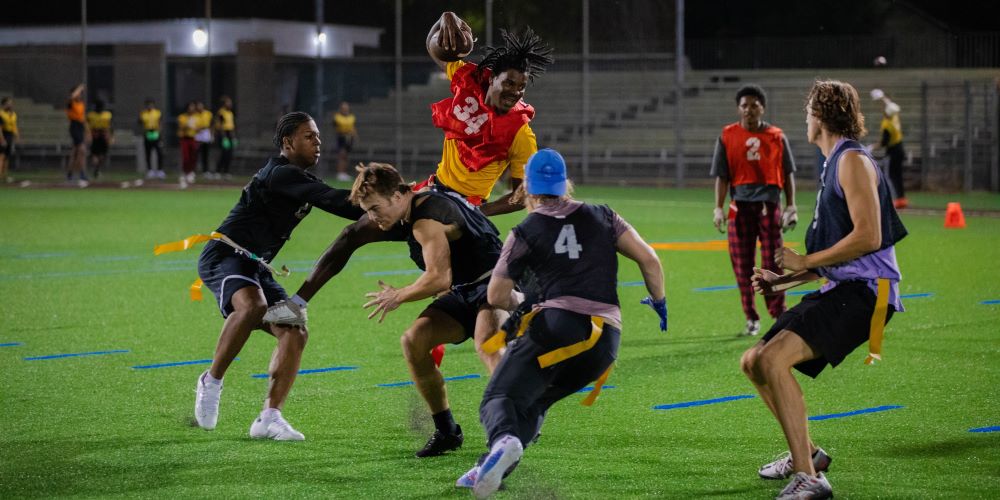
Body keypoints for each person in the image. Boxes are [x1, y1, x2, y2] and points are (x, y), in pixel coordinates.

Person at [263, 12, 553, 359]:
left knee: (450, 282)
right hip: (432, 192)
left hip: (463, 212)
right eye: (510, 83)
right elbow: (437, 50)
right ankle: (297, 304)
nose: (515, 92)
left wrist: (478, 210)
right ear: (492, 78)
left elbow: (521, 195)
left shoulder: (520, 132)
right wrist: (445, 20)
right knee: (354, 234)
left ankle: (522, 319)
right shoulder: (469, 80)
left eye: (521, 87)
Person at [458, 149, 667, 497]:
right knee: (533, 402)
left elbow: (496, 294)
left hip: (558, 328)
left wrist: (523, 303)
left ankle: (503, 442)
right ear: (565, 184)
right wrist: (659, 301)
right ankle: (488, 467)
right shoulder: (604, 215)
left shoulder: (525, 230)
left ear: (527, 188)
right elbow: (649, 259)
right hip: (606, 343)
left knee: (499, 397)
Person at [740, 80, 907, 500]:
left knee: (773, 360)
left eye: (808, 110)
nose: (805, 118)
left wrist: (802, 262)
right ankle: (809, 454)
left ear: (820, 115)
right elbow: (832, 261)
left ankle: (809, 478)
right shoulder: (833, 162)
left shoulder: (851, 161)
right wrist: (781, 279)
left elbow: (869, 237)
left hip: (869, 294)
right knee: (753, 361)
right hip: (845, 287)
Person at [192, 111, 364, 441]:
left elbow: (340, 202)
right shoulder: (281, 173)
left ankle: (269, 418)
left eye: (318, 136)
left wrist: (393, 200)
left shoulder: (298, 178)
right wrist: (383, 197)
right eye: (309, 136)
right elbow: (336, 201)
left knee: (295, 331)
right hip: (225, 255)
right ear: (288, 142)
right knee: (253, 305)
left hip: (255, 266)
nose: (318, 142)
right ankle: (211, 381)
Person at [348, 162, 508, 457]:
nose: (372, 217)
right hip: (467, 289)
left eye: (375, 208)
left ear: (398, 195)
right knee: (414, 341)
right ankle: (447, 431)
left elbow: (438, 278)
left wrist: (398, 295)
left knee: (487, 344)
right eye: (367, 210)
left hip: (498, 283)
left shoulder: (424, 220)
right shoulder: (420, 204)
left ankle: (514, 424)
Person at [710, 85, 798, 336]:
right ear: (738, 108)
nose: (749, 109)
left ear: (763, 108)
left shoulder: (776, 136)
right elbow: (722, 176)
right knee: (742, 264)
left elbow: (788, 173)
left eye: (754, 105)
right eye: (744, 105)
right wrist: (718, 208)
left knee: (774, 262)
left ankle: (779, 314)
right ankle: (751, 317)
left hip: (769, 205)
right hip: (739, 206)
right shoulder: (727, 135)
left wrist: (791, 205)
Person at [870, 88, 907, 209]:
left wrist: (872, 147)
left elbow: (884, 142)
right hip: (900, 148)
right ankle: (901, 199)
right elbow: (890, 105)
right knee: (898, 176)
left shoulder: (887, 125)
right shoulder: (894, 116)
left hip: (892, 151)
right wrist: (882, 97)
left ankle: (892, 199)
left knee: (889, 176)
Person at [66, 84, 89, 187]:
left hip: (80, 127)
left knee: (75, 152)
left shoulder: (81, 104)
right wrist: (79, 88)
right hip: (74, 126)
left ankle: (70, 173)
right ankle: (82, 174)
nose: (79, 95)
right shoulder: (71, 103)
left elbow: (83, 118)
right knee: (82, 150)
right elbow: (71, 97)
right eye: (78, 93)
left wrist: (87, 131)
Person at [86, 99, 113, 180]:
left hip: (103, 135)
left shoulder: (107, 115)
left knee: (102, 154)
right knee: (95, 153)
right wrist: (89, 135)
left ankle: (96, 169)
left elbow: (110, 126)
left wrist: (110, 136)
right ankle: (96, 169)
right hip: (95, 135)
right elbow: (87, 125)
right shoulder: (91, 115)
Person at [332, 101, 358, 182]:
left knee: (346, 156)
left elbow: (353, 128)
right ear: (341, 109)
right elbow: (335, 127)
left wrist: (355, 135)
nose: (345, 110)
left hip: (349, 138)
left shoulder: (352, 117)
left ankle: (344, 173)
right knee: (341, 155)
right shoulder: (337, 117)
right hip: (341, 137)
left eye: (346, 108)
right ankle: (340, 173)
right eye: (343, 108)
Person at [139, 98, 165, 179]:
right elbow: (140, 123)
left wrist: (159, 132)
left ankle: (160, 170)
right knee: (148, 152)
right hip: (148, 133)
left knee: (159, 152)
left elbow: (160, 123)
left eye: (151, 104)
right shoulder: (143, 114)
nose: (150, 106)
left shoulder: (157, 113)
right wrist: (143, 132)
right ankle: (150, 170)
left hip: (156, 132)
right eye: (148, 104)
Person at [177, 101, 199, 188]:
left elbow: (198, 127)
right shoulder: (182, 117)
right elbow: (182, 126)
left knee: (193, 156)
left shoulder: (196, 117)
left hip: (193, 138)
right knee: (186, 156)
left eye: (193, 107)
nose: (192, 109)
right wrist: (188, 124)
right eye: (190, 107)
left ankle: (191, 172)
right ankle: (184, 172)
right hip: (185, 138)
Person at [215, 96, 236, 180]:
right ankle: (218, 171)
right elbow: (220, 126)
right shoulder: (221, 112)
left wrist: (233, 137)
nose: (230, 104)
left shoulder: (230, 113)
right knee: (223, 153)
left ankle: (226, 171)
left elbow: (232, 126)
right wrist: (224, 138)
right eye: (228, 102)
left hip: (229, 134)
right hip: (224, 134)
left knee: (229, 154)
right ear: (224, 104)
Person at [0, 97, 19, 184]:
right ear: (4, 104)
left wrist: (16, 135)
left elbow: (14, 126)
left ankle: (4, 175)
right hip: (3, 135)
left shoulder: (12, 114)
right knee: (1, 156)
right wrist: (2, 139)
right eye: (8, 103)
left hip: (9, 136)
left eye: (11, 103)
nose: (10, 105)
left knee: (7, 157)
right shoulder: (1, 114)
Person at [195, 101, 215, 179]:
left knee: (205, 153)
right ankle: (194, 170)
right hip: (197, 133)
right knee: (196, 153)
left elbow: (212, 124)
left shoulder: (208, 114)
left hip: (206, 132)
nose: (199, 107)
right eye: (198, 106)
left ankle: (205, 171)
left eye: (201, 105)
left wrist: (212, 135)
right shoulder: (195, 114)